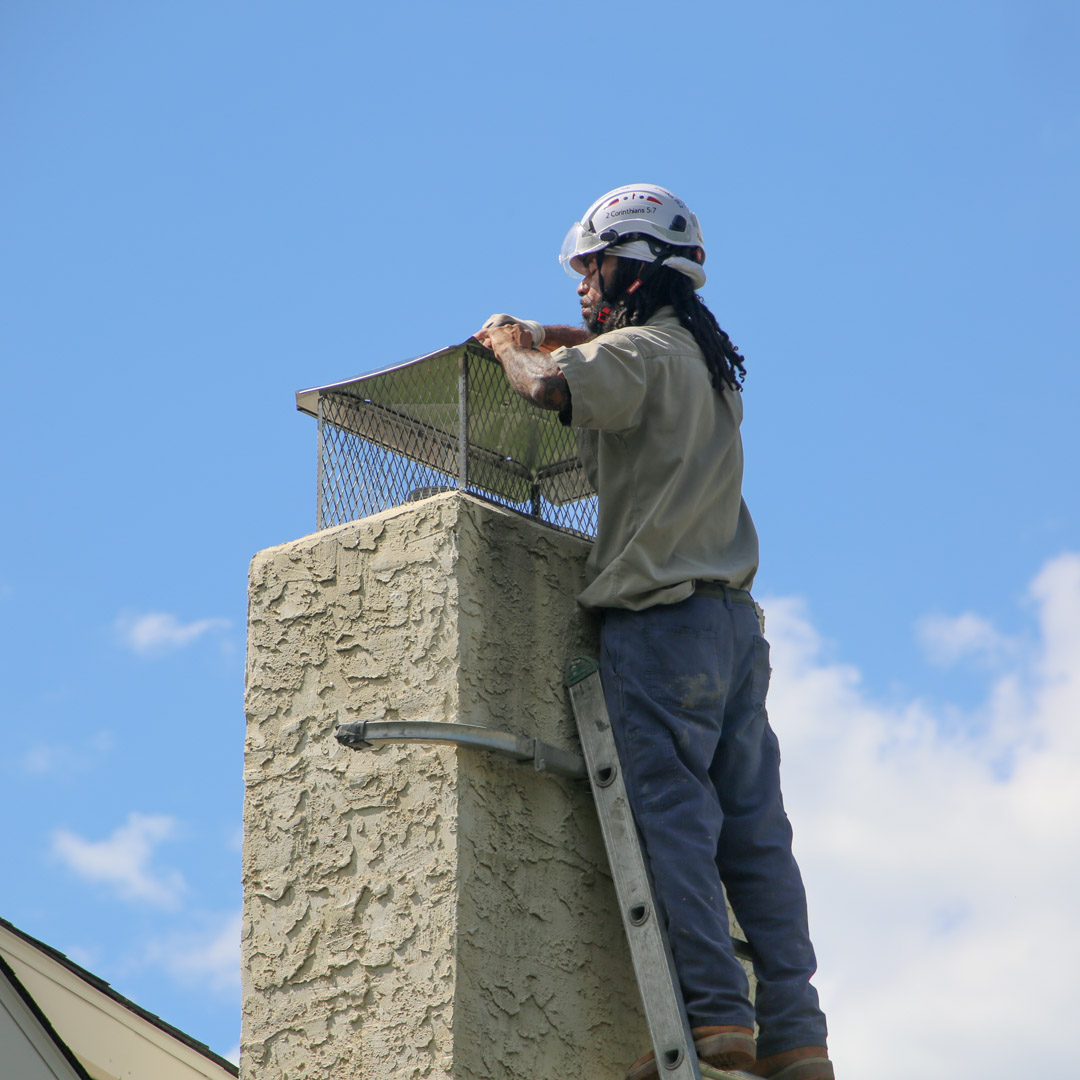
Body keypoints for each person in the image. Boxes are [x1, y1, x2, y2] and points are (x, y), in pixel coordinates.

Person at [476, 184, 832, 1080]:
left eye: (592, 269)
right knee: (756, 840)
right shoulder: (700, 362)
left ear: (632, 267)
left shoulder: (634, 353)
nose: (582, 290)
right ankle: (797, 1037)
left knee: (674, 829)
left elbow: (551, 385)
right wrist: (574, 337)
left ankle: (715, 1026)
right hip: (730, 630)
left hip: (659, 631)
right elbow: (609, 360)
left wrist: (512, 349)